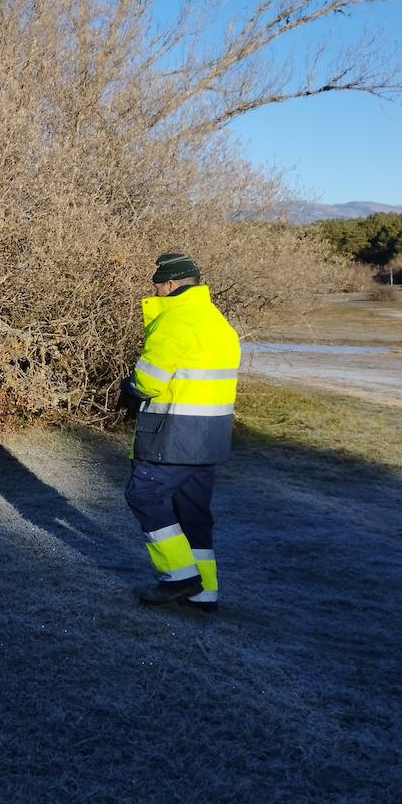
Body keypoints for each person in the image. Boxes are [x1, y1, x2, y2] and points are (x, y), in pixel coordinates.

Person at [120, 253, 240, 610]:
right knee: (194, 513)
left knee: (143, 496)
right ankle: (206, 592)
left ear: (170, 284)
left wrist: (129, 387)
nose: (154, 291)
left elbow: (149, 381)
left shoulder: (173, 321)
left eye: (156, 284)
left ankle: (178, 577)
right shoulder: (218, 321)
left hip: (174, 435)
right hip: (212, 436)